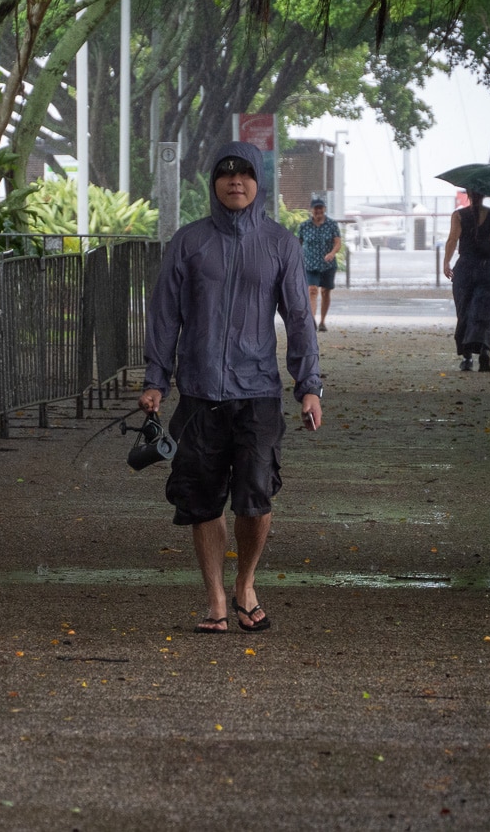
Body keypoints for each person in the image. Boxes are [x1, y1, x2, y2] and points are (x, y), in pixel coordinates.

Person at [139, 141, 324, 635]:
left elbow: (299, 318)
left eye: (245, 173)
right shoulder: (189, 242)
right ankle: (216, 599)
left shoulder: (280, 243)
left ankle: (245, 582)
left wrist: (309, 386)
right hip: (199, 393)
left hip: (258, 392)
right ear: (213, 182)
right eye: (225, 173)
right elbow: (165, 314)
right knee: (202, 499)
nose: (235, 181)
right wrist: (156, 379)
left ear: (258, 182)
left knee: (255, 496)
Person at [443, 190, 490, 372]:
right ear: (484, 195)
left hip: (465, 267)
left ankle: (467, 358)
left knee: (464, 311)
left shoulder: (458, 215)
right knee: (485, 310)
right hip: (486, 268)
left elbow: (452, 239)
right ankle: (484, 351)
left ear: (469, 195)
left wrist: (446, 262)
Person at [296, 197, 342, 331]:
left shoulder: (332, 225)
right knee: (312, 290)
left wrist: (332, 253)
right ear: (311, 210)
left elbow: (338, 242)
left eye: (320, 208)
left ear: (324, 209)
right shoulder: (304, 226)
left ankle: (322, 321)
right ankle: (312, 321)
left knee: (325, 292)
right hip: (310, 264)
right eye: (316, 208)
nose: (318, 211)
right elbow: (298, 244)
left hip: (327, 264)